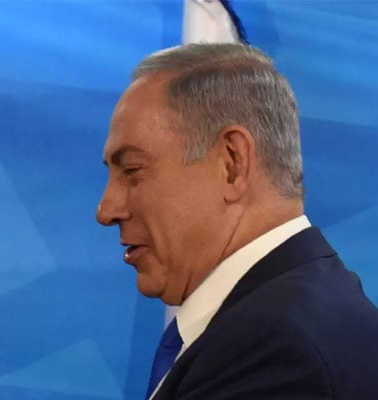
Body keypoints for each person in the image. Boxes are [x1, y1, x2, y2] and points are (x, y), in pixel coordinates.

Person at [97, 43, 378, 399]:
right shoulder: (303, 312)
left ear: (232, 163)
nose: (106, 210)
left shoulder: (276, 348)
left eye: (132, 170)